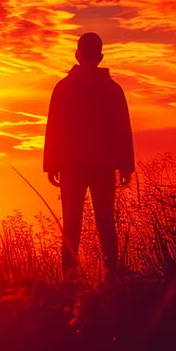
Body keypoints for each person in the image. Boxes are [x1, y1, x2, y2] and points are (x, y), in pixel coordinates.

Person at [44, 33, 134, 279]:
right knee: (106, 222)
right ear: (101, 56)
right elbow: (122, 128)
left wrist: (51, 163)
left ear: (77, 54)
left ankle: (69, 278)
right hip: (103, 165)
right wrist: (126, 165)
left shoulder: (63, 87)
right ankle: (112, 276)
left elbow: (54, 127)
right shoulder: (113, 89)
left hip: (71, 164)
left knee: (72, 224)